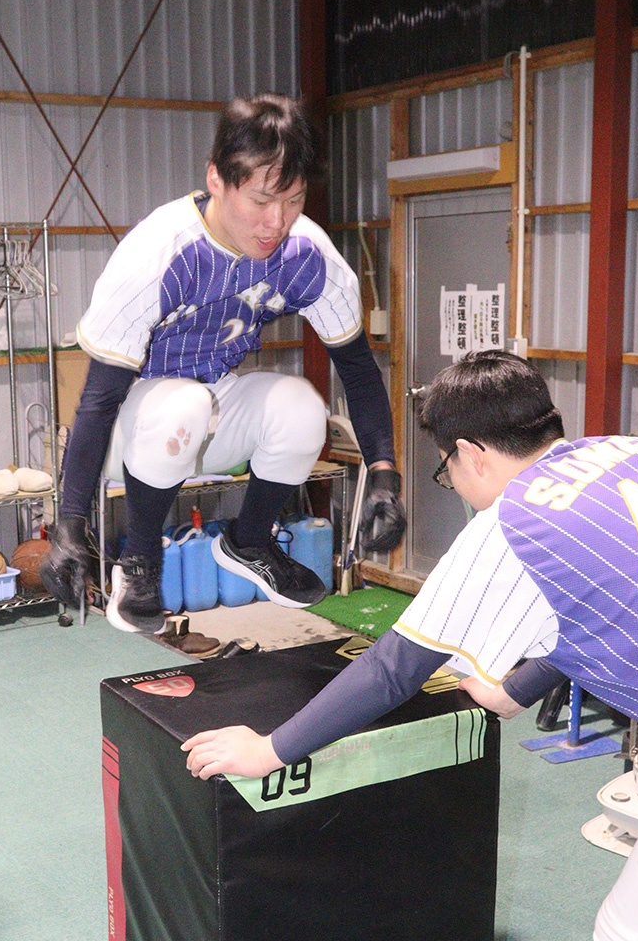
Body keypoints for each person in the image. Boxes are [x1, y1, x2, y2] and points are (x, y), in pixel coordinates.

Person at [182, 349, 638, 941]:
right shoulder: (619, 452)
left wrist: (270, 748)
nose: (456, 486)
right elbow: (607, 602)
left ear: (470, 453)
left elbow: (395, 668)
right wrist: (518, 684)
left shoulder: (511, 523)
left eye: (446, 470)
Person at [40, 94, 405, 632]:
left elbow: (357, 368)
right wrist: (69, 523)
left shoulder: (306, 254)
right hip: (129, 429)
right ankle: (140, 561)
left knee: (304, 408)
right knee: (182, 406)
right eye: (260, 200)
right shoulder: (159, 254)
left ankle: (249, 540)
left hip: (209, 406)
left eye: (294, 200)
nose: (276, 222)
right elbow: (98, 400)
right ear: (216, 179)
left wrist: (384, 470)